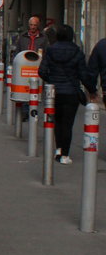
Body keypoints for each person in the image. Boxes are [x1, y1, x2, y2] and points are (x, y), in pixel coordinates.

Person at [38, 24, 90, 164]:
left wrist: (52, 80)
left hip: (54, 92)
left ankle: (58, 149)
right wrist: (92, 90)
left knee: (57, 122)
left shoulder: (50, 50)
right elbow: (83, 74)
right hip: (71, 92)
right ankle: (65, 155)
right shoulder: (77, 52)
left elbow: (42, 71)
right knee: (68, 124)